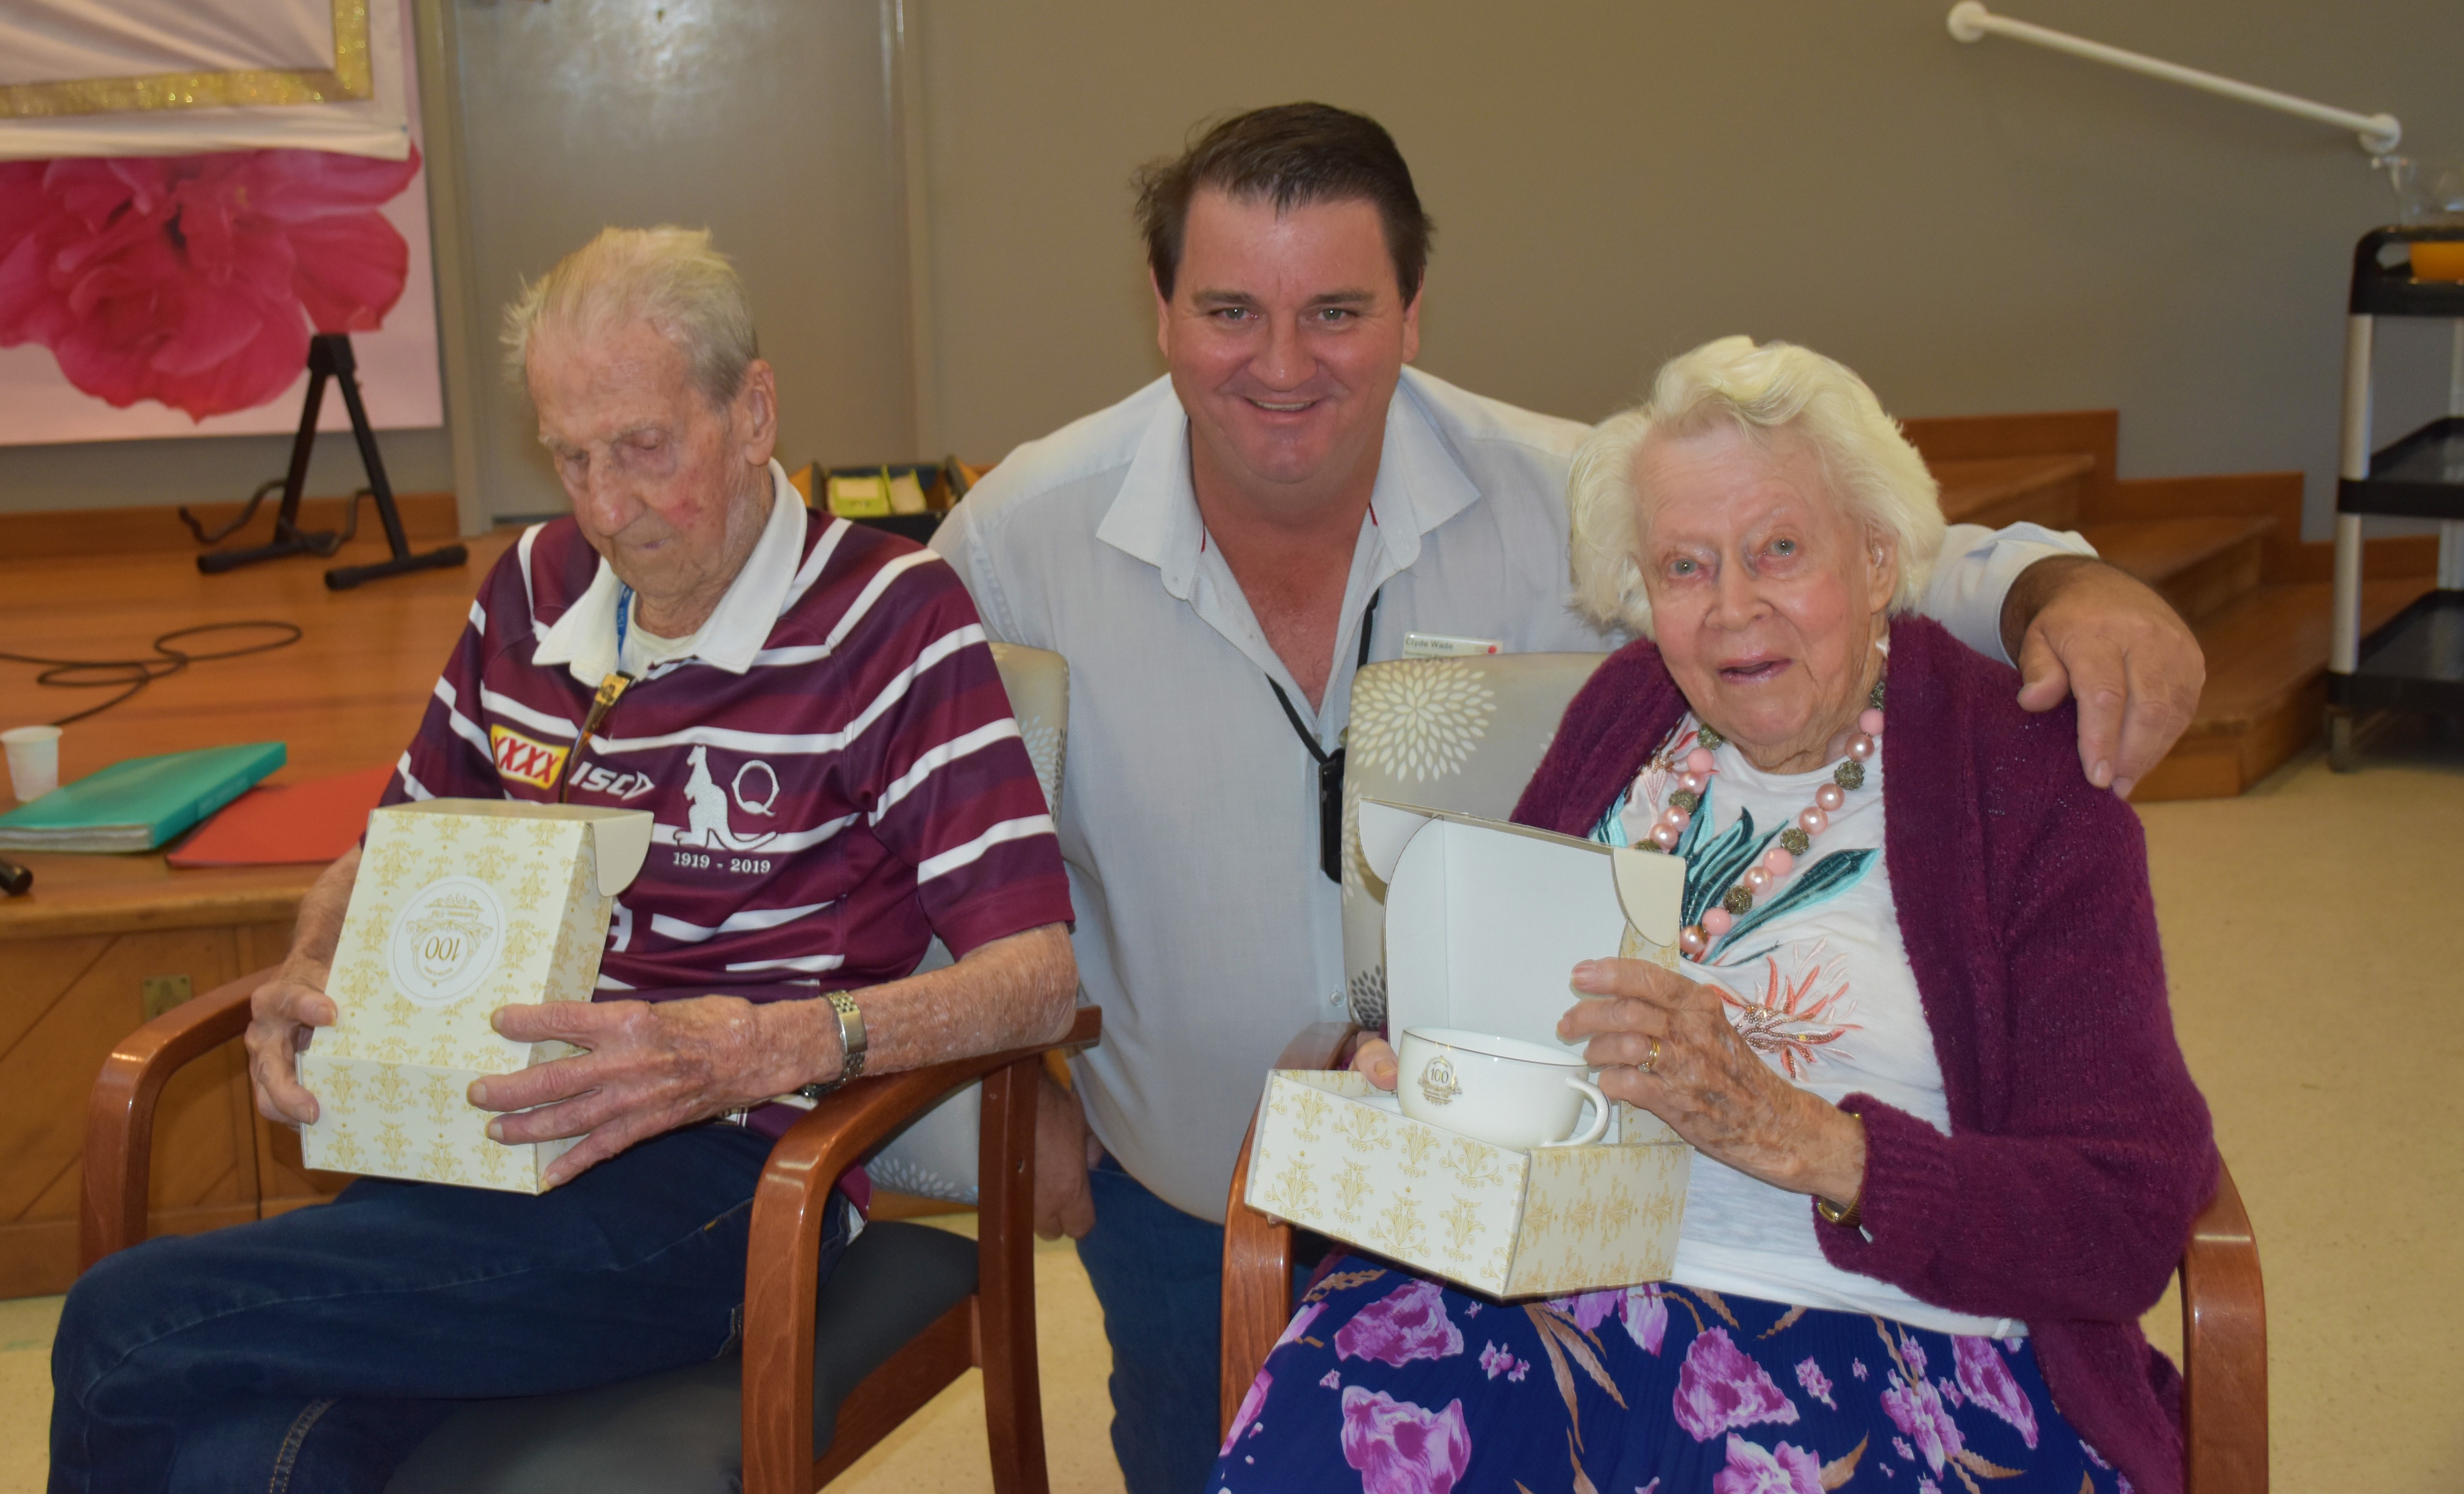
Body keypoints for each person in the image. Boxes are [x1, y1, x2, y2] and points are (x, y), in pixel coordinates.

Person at [929, 102, 2206, 1493]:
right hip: (1213, 1197)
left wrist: (2058, 586)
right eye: (1231, 308)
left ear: (1414, 314)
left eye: (1339, 310)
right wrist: (1004, 1117)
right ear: (1163, 313)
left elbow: (1892, 553)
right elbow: (893, 804)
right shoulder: (1017, 538)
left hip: (1780, 1300)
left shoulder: (1560, 498)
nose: (1283, 364)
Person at [48, 227, 1078, 1492]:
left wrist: (763, 1047)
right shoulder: (533, 590)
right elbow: (387, 849)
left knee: (124, 1326)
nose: (604, 508)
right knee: (241, 1457)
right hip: (473, 1152)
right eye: (570, 457)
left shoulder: (893, 617)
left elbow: (1035, 975)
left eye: (644, 450)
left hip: (716, 1180)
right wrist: (313, 960)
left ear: (753, 411)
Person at [1213, 336, 2214, 1494]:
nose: (1734, 609)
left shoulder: (2026, 778)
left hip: (1882, 1335)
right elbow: (1519, 1007)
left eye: (1779, 549)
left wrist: (1804, 1138)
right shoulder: (1626, 711)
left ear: (1880, 557)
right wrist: (1424, 1071)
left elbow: (2127, 1212)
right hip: (1538, 1290)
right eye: (1684, 568)